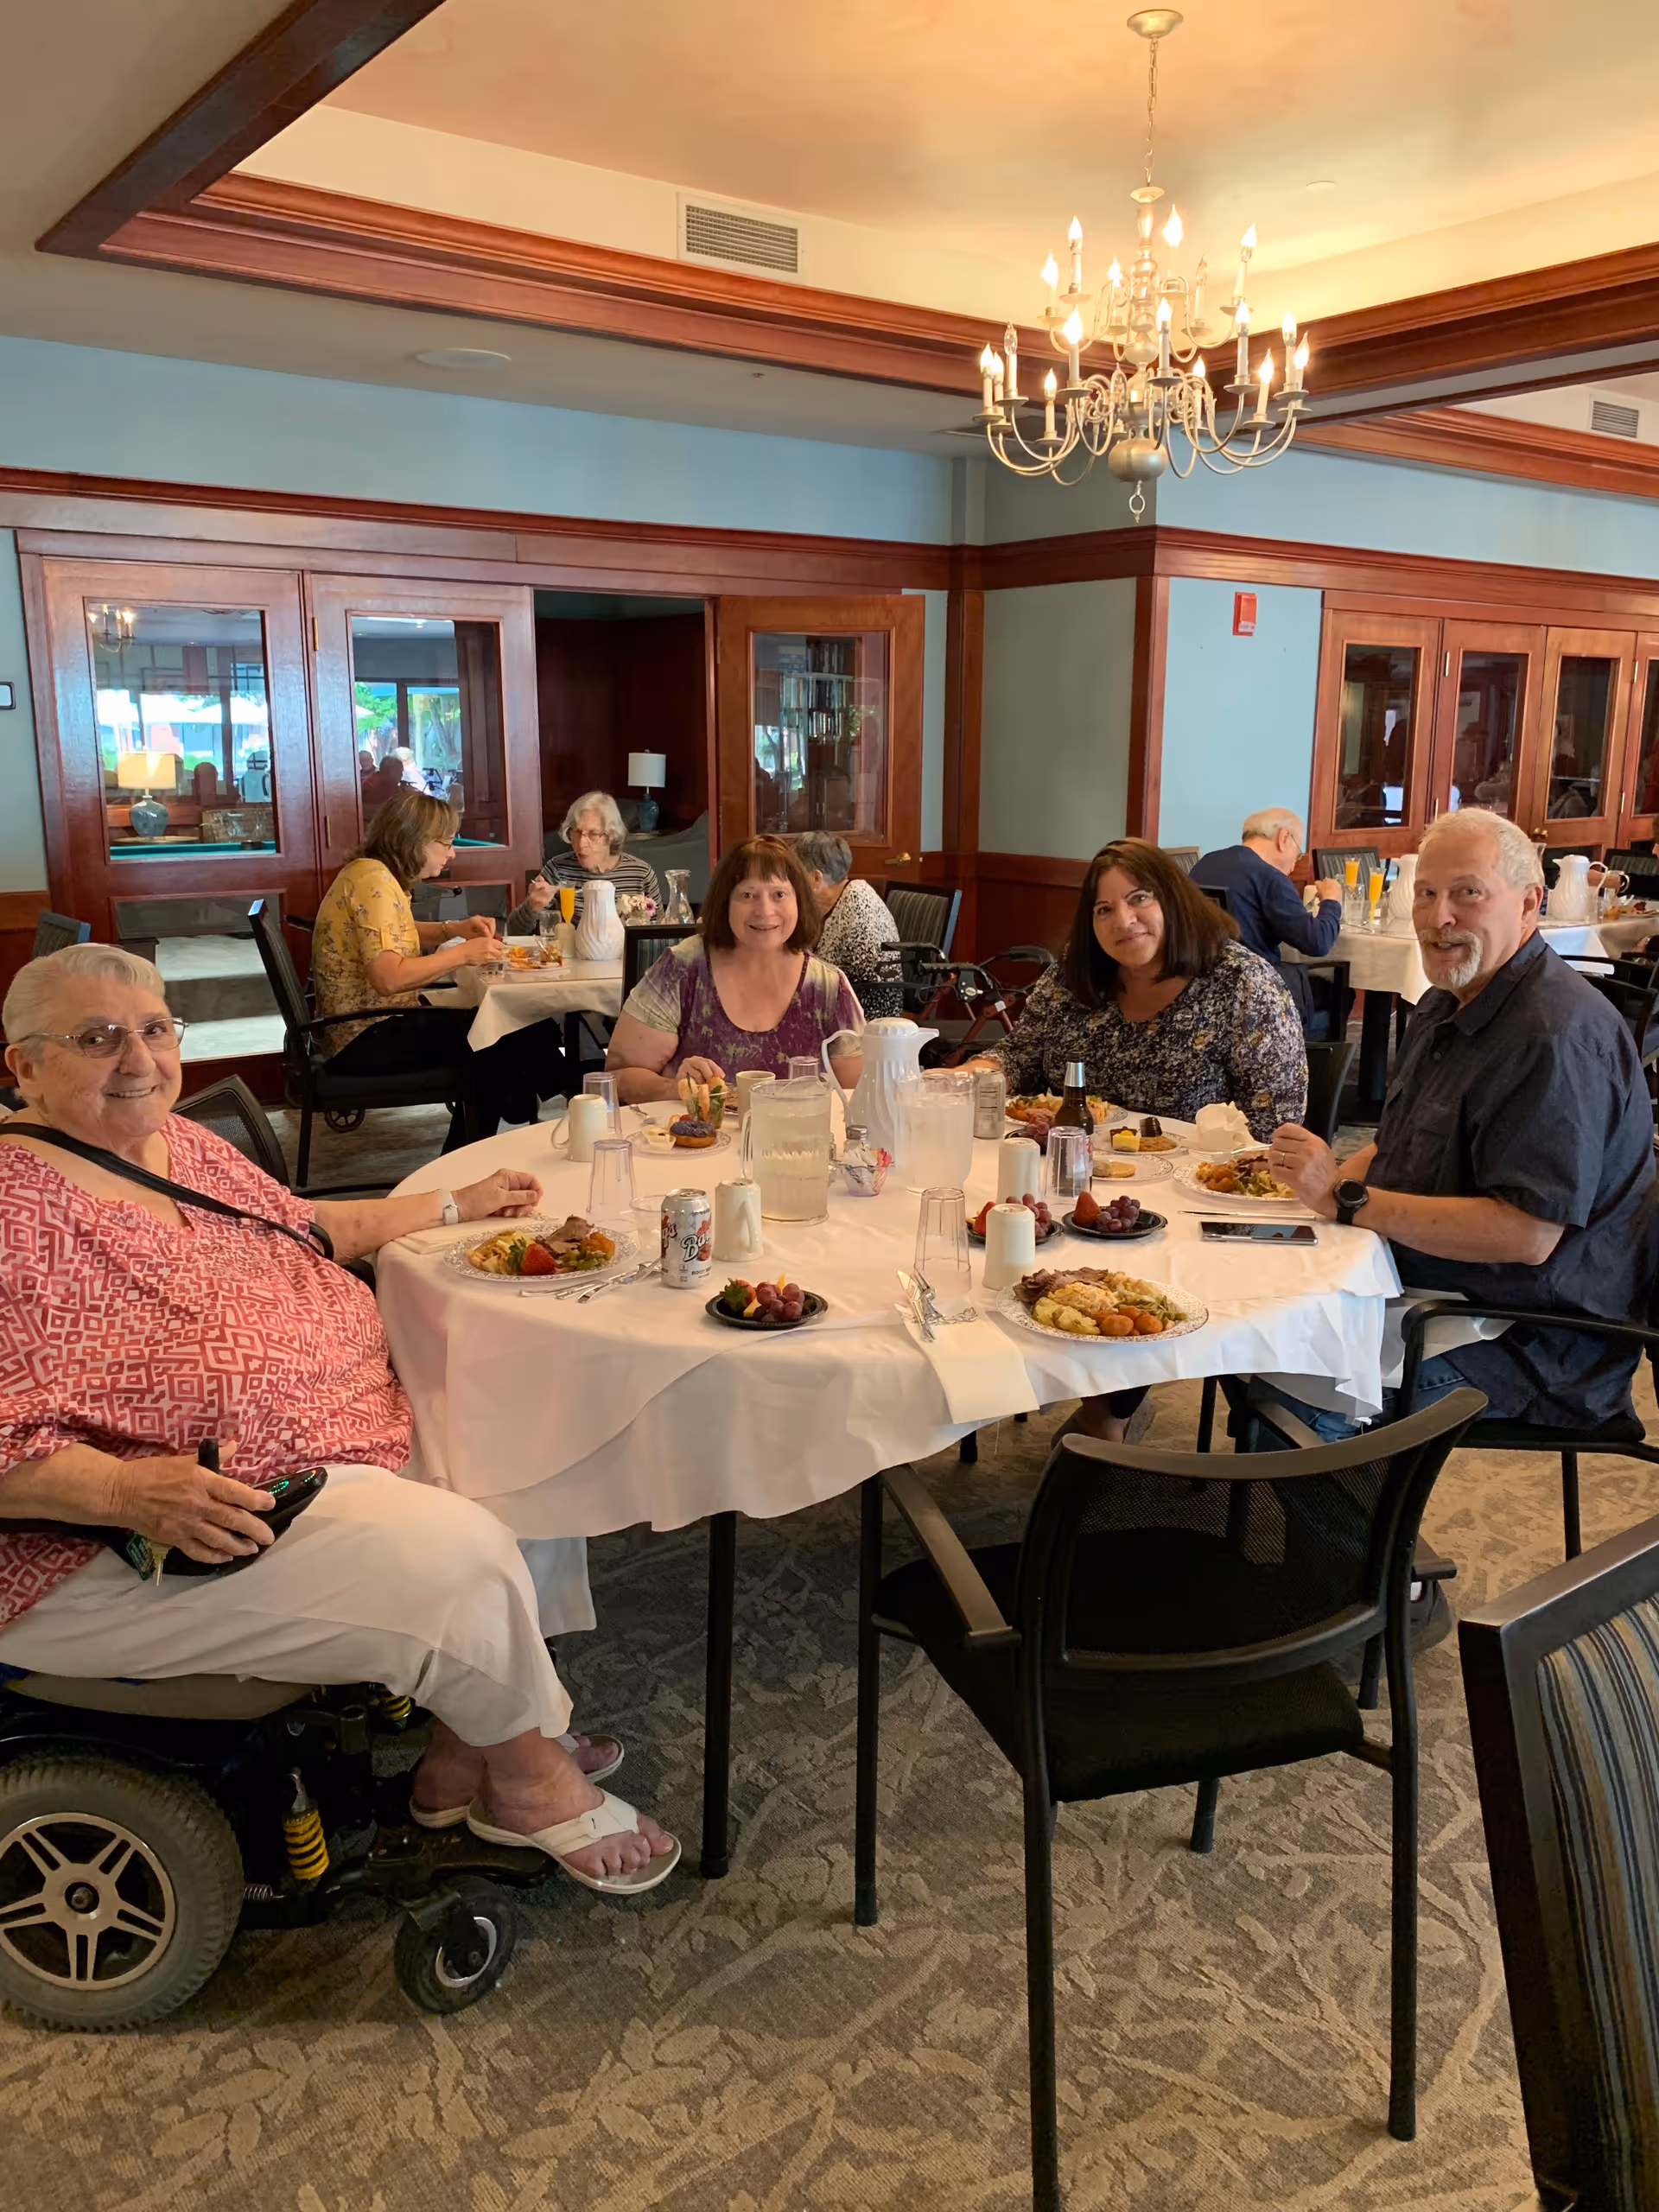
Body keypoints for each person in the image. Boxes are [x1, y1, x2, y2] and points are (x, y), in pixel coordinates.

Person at [0, 944, 676, 1890]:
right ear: (23, 1065)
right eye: (98, 1037)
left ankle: (461, 1752)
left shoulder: (173, 1142)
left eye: (154, 1029)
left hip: (331, 1435)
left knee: (532, 1456)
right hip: (138, 1539)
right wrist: (120, 1487)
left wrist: (456, 1201)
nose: (139, 1059)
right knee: (457, 1557)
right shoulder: (14, 1202)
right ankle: (527, 1777)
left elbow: (304, 1225)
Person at [1267, 809, 1659, 1434]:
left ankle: (1355, 1533)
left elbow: (1525, 1235)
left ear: (1530, 903)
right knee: (1254, 1330)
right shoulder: (1447, 1000)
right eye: (1425, 893)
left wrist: (1344, 1199)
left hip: (1530, 1341)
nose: (1437, 916)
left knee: (1309, 1397)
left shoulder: (1553, 1036)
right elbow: (1393, 1148)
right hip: (1432, 1287)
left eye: (1467, 893)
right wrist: (1313, 1192)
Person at [972, 839, 1307, 1141]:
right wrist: (966, 1078)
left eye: (1139, 898)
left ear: (1173, 900)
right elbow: (1020, 1056)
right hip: (1073, 1178)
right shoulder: (1074, 971)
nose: (1123, 920)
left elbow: (1275, 1129)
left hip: (1193, 1193)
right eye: (1104, 909)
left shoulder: (1242, 982)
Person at [311, 787, 563, 1149]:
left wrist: (453, 929)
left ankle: (531, 1091)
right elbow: (387, 977)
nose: (452, 852)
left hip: (369, 1025)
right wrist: (463, 954)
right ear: (415, 842)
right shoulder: (375, 883)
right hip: (364, 1037)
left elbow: (392, 935)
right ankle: (550, 1090)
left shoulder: (371, 874)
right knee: (495, 1038)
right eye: (445, 843)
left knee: (515, 1026)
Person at [606, 835, 865, 1103]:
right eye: (747, 895)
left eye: (779, 894)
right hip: (695, 1139)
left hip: (795, 1142)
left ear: (798, 901)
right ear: (725, 902)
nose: (765, 910)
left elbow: (859, 1098)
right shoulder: (682, 970)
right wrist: (675, 1089)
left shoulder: (828, 987)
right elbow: (617, 1077)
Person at [1193, 808, 1345, 1037]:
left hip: (1202, 984)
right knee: (1341, 992)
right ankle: (1309, 1064)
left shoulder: (1207, 862)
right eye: (1298, 852)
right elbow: (1318, 942)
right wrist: (1332, 901)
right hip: (1257, 991)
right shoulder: (1270, 877)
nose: (1294, 864)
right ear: (1284, 837)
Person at [508, 791, 664, 933]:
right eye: (576, 832)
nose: (581, 843)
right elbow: (514, 932)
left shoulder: (641, 874)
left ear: (611, 835)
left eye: (593, 834)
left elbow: (660, 935)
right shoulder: (559, 869)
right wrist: (531, 907)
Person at [791, 832, 904, 1020]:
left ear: (816, 879)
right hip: (834, 1004)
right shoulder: (833, 902)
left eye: (793, 875)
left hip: (862, 1018)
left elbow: (860, 978)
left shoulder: (858, 902)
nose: (788, 882)